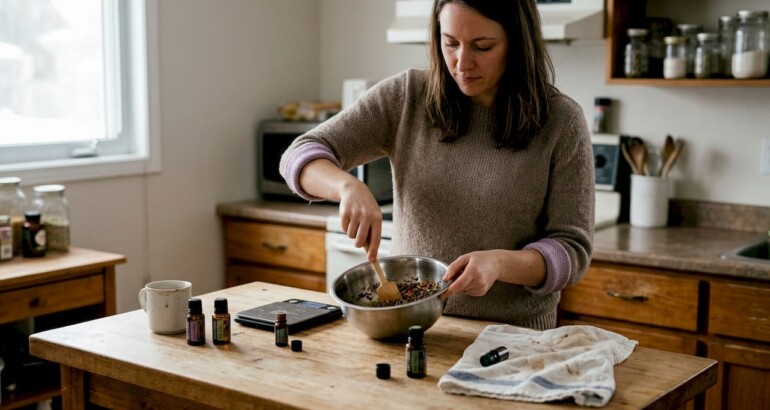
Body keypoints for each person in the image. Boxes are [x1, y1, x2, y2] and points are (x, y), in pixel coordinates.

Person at [280, 0, 594, 330]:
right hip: (411, 327)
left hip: (514, 339)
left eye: (482, 46)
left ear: (517, 43)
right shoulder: (407, 97)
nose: (462, 62)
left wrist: (502, 263)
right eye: (450, 43)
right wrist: (346, 187)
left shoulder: (562, 122)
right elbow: (300, 156)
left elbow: (571, 250)